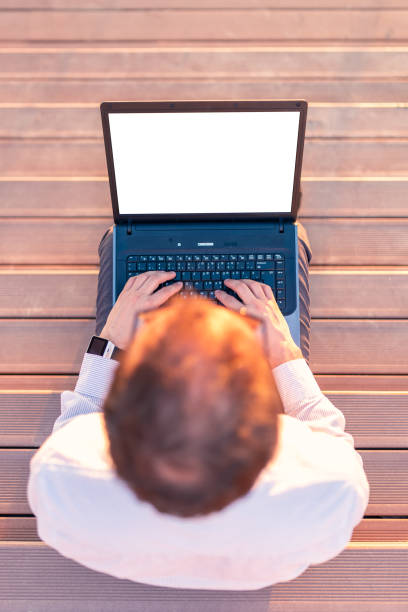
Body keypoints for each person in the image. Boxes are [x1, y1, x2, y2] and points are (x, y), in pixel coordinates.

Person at [27, 220, 369, 591]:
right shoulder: (330, 489)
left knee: (116, 242)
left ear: (116, 425)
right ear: (272, 427)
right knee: (292, 237)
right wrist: (284, 354)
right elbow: (326, 433)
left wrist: (111, 341)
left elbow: (76, 425)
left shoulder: (61, 479)